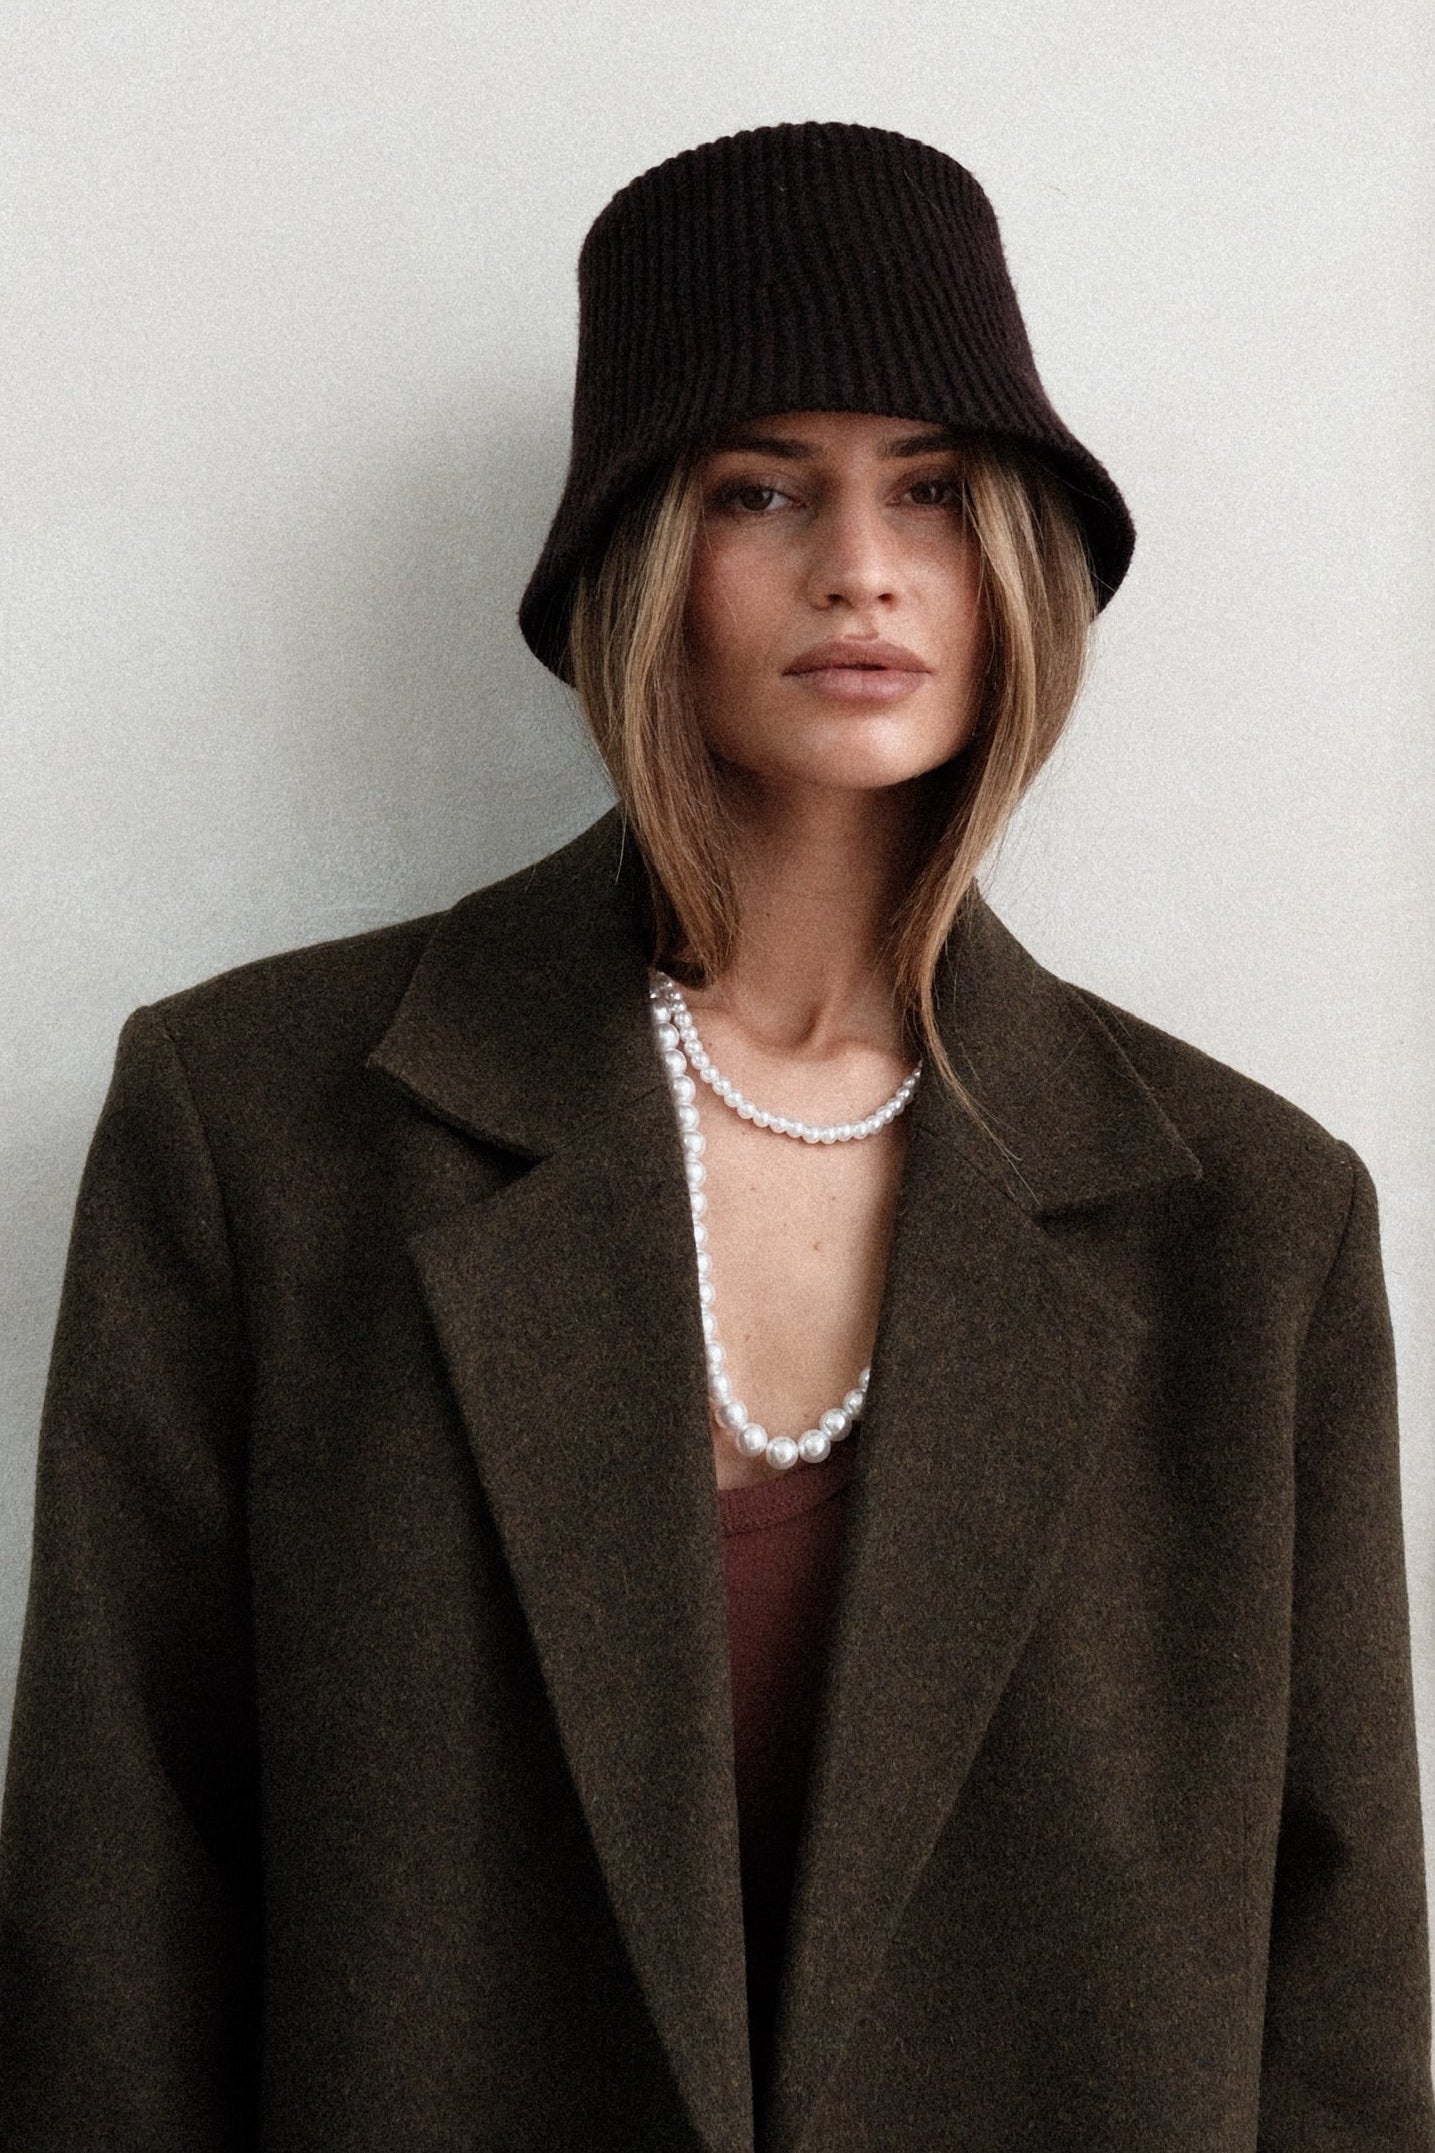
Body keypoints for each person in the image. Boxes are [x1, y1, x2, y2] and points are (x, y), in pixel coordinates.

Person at [0, 119, 1430, 2153]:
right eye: (762, 485)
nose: (859, 561)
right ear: (636, 554)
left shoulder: (1248, 1224)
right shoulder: (262, 1132)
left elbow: (1341, 2000)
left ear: (1013, 554)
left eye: (930, 489)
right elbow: (112, 1912)